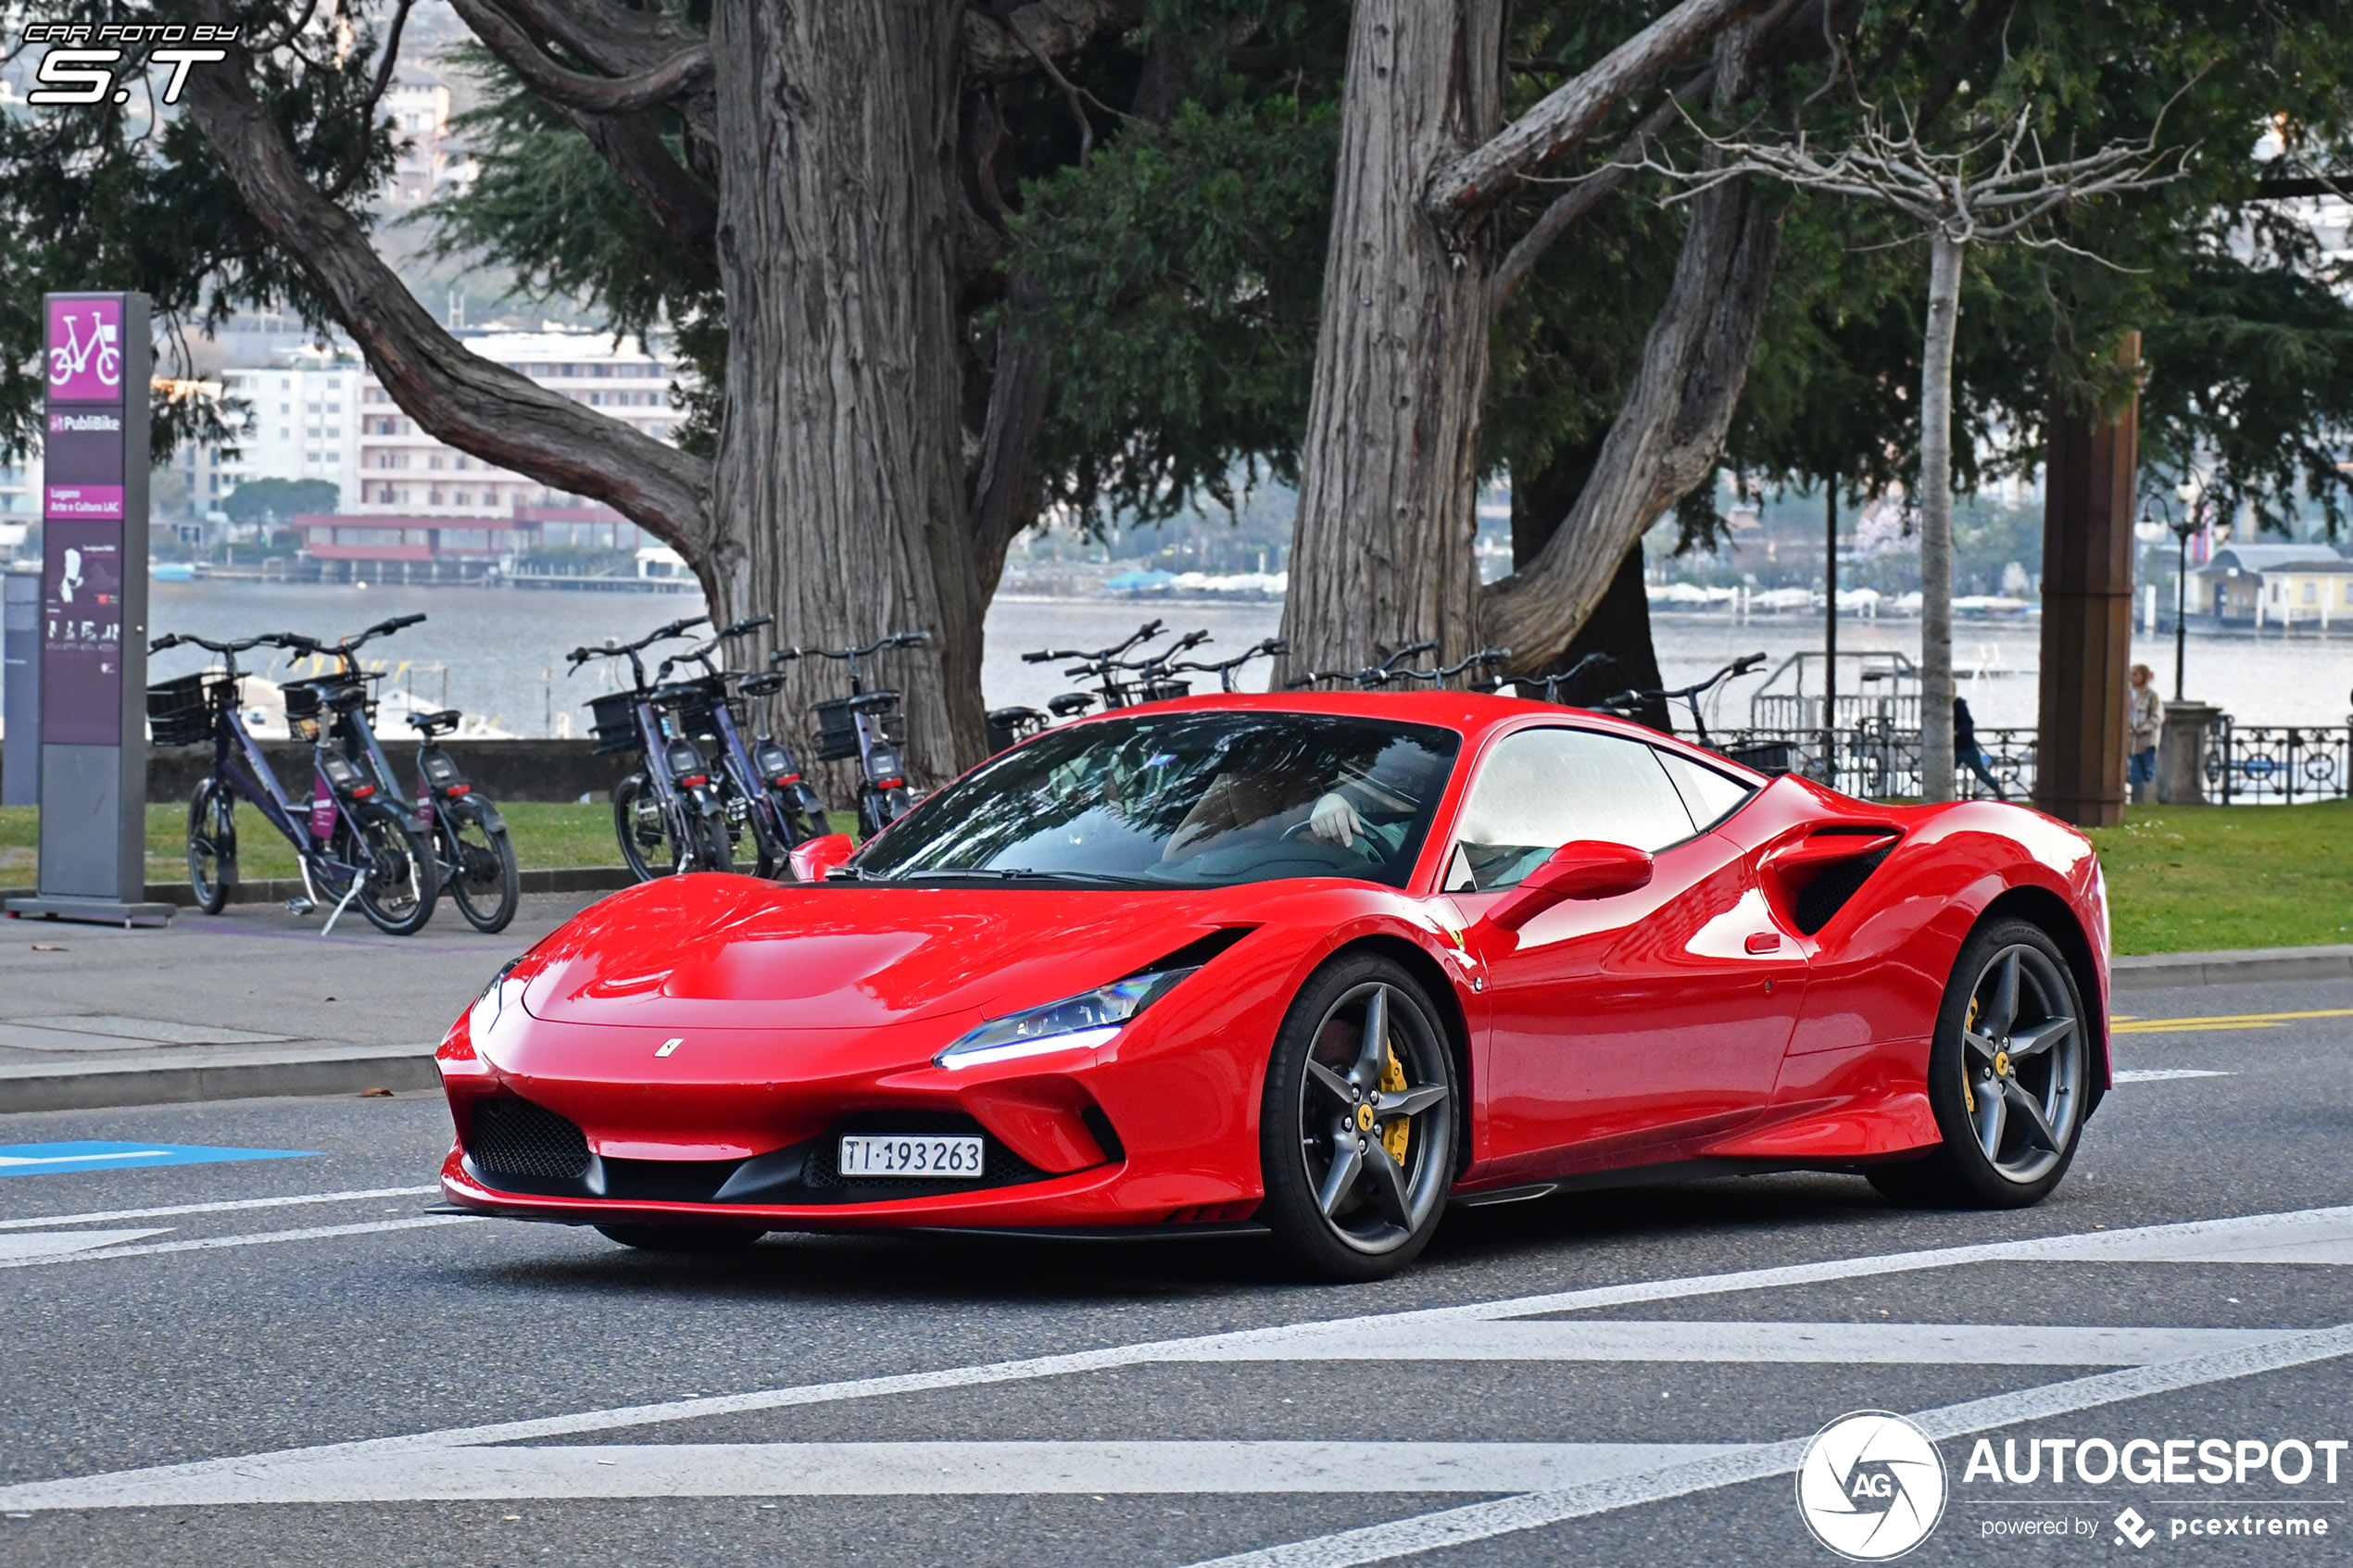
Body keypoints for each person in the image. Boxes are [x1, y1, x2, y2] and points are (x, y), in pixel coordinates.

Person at [1953, 696, 2005, 800]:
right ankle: (1951, 796)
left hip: (1967, 747)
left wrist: (1957, 732)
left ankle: (1999, 791)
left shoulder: (1959, 705)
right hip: (1955, 748)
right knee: (1947, 773)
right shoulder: (1946, 706)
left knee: (1981, 773)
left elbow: (1968, 723)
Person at [2127, 663, 2161, 804]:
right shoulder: (2127, 694)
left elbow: (2157, 715)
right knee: (2134, 772)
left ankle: (2150, 800)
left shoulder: (2151, 695)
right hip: (2131, 739)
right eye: (2130, 674)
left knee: (2148, 770)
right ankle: (2138, 801)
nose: (2131, 677)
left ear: (2143, 677)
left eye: (2135, 674)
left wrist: (2145, 728)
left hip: (2146, 740)